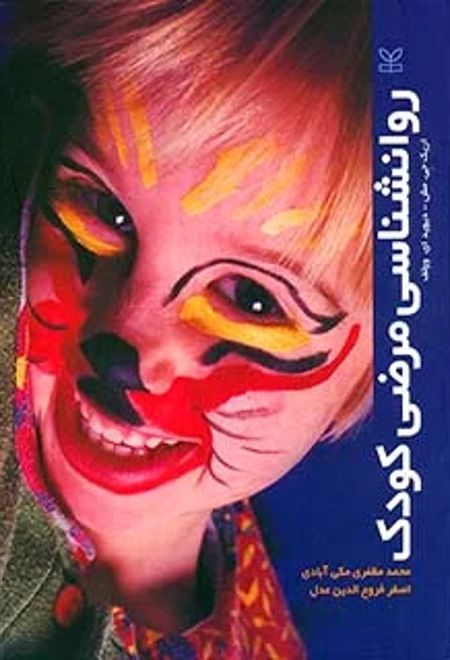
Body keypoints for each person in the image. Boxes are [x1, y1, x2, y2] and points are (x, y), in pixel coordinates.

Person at [0, 0, 371, 658]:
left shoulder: (247, 572)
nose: (127, 346)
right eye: (104, 209)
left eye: (251, 298)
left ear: (371, 374)